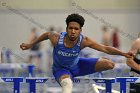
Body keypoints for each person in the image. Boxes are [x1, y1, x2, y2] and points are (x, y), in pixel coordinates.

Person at [20, 13, 133, 93]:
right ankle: (67, 78)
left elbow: (106, 48)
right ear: (67, 28)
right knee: (67, 84)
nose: (73, 31)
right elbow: (47, 34)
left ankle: (101, 61)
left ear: (80, 30)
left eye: (76, 29)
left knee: (110, 65)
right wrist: (30, 44)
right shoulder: (56, 38)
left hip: (78, 66)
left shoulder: (84, 41)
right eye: (70, 28)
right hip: (61, 69)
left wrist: (124, 54)